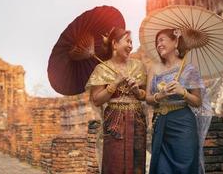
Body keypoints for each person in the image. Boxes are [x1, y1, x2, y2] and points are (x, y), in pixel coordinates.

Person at [145, 29, 212, 174]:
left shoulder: (190, 70)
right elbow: (148, 98)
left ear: (175, 42)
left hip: (183, 125)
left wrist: (183, 93)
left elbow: (197, 102)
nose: (159, 45)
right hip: (161, 123)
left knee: (185, 168)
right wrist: (160, 95)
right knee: (162, 169)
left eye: (162, 40)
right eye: (157, 42)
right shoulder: (154, 68)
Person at [86, 27, 147, 174]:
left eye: (132, 42)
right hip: (114, 122)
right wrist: (114, 84)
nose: (131, 45)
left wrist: (137, 91)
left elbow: (145, 95)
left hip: (137, 121)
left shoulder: (138, 66)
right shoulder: (102, 68)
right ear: (114, 44)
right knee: (115, 163)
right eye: (127, 41)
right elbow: (96, 100)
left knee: (137, 164)